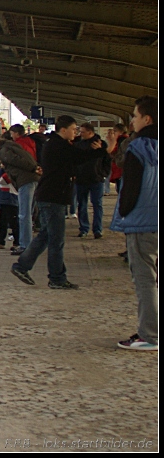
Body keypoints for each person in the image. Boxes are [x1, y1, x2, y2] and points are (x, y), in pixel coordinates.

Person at [11, 114, 105, 290]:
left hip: (51, 196)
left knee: (46, 235)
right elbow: (79, 157)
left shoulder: (57, 144)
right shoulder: (58, 146)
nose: (75, 132)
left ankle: (22, 266)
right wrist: (100, 151)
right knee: (56, 239)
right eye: (73, 129)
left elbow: (77, 157)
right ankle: (56, 278)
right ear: (63, 130)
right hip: (53, 197)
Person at [111, 96, 157, 351]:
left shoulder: (137, 148)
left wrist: (124, 213)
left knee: (145, 279)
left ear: (146, 119)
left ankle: (150, 335)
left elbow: (130, 188)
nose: (132, 121)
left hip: (143, 222)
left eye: (135, 116)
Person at [4, 124, 40, 255]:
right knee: (28, 213)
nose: (11, 136)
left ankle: (25, 245)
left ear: (16, 133)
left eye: (12, 133)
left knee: (24, 214)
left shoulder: (18, 145)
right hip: (34, 178)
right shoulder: (31, 142)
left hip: (25, 179)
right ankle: (26, 242)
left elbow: (21, 163)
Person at [72, 122, 112, 239]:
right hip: (81, 179)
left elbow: (107, 160)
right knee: (82, 204)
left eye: (83, 132)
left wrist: (103, 174)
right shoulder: (78, 145)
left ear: (90, 132)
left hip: (96, 179)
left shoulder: (101, 144)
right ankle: (84, 228)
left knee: (97, 204)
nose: (80, 134)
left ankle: (97, 229)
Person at [0, 142, 20, 249]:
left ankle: (17, 242)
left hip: (10, 199)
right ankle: (0, 241)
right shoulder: (6, 170)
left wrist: (3, 169)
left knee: (13, 222)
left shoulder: (10, 172)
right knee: (3, 221)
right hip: (4, 199)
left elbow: (1, 180)